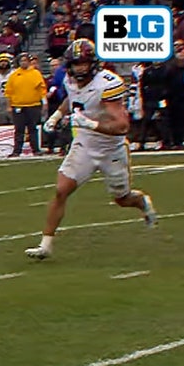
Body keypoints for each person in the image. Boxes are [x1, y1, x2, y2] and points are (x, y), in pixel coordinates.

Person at [28, 40, 157, 260]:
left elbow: (122, 126)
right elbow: (73, 98)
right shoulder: (69, 80)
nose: (79, 68)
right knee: (62, 189)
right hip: (85, 144)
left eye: (83, 63)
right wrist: (57, 115)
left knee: (122, 198)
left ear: (93, 63)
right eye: (75, 64)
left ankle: (142, 202)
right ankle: (46, 244)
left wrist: (92, 124)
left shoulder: (107, 83)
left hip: (111, 149)